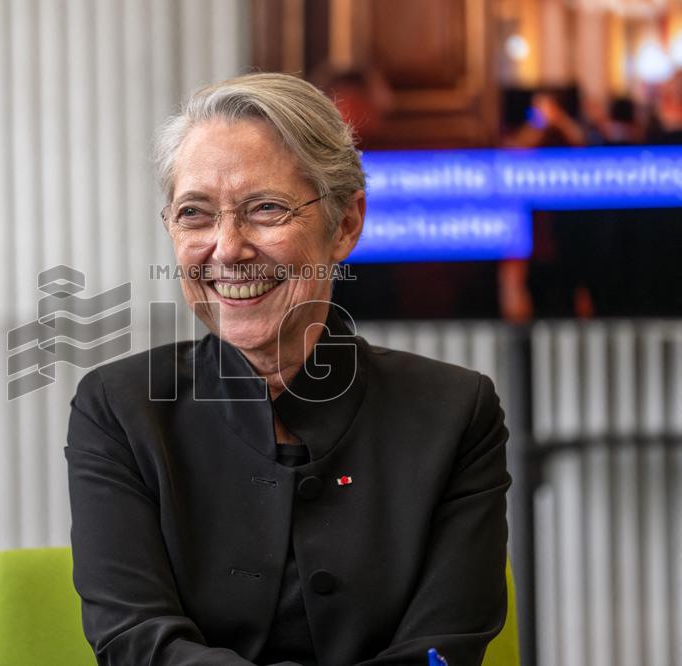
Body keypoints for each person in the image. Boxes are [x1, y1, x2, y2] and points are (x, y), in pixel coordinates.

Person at [65, 72, 511, 665]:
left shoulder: (456, 413)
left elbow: (444, 649)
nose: (227, 247)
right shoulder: (119, 409)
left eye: (265, 209)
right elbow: (135, 642)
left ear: (346, 224)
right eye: (195, 214)